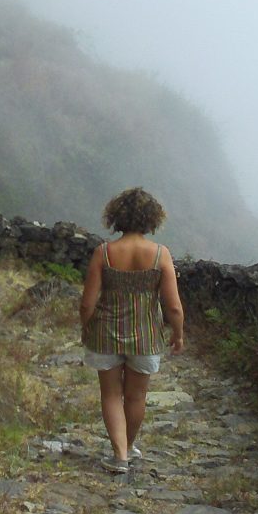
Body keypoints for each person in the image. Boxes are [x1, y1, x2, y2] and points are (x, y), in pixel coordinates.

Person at [80, 187, 185, 474]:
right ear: (152, 218)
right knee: (137, 396)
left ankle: (119, 455)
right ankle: (128, 446)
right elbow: (173, 306)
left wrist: (85, 328)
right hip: (146, 336)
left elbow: (87, 302)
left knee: (111, 395)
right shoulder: (160, 254)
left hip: (105, 334)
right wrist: (177, 334)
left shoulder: (103, 252)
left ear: (116, 216)